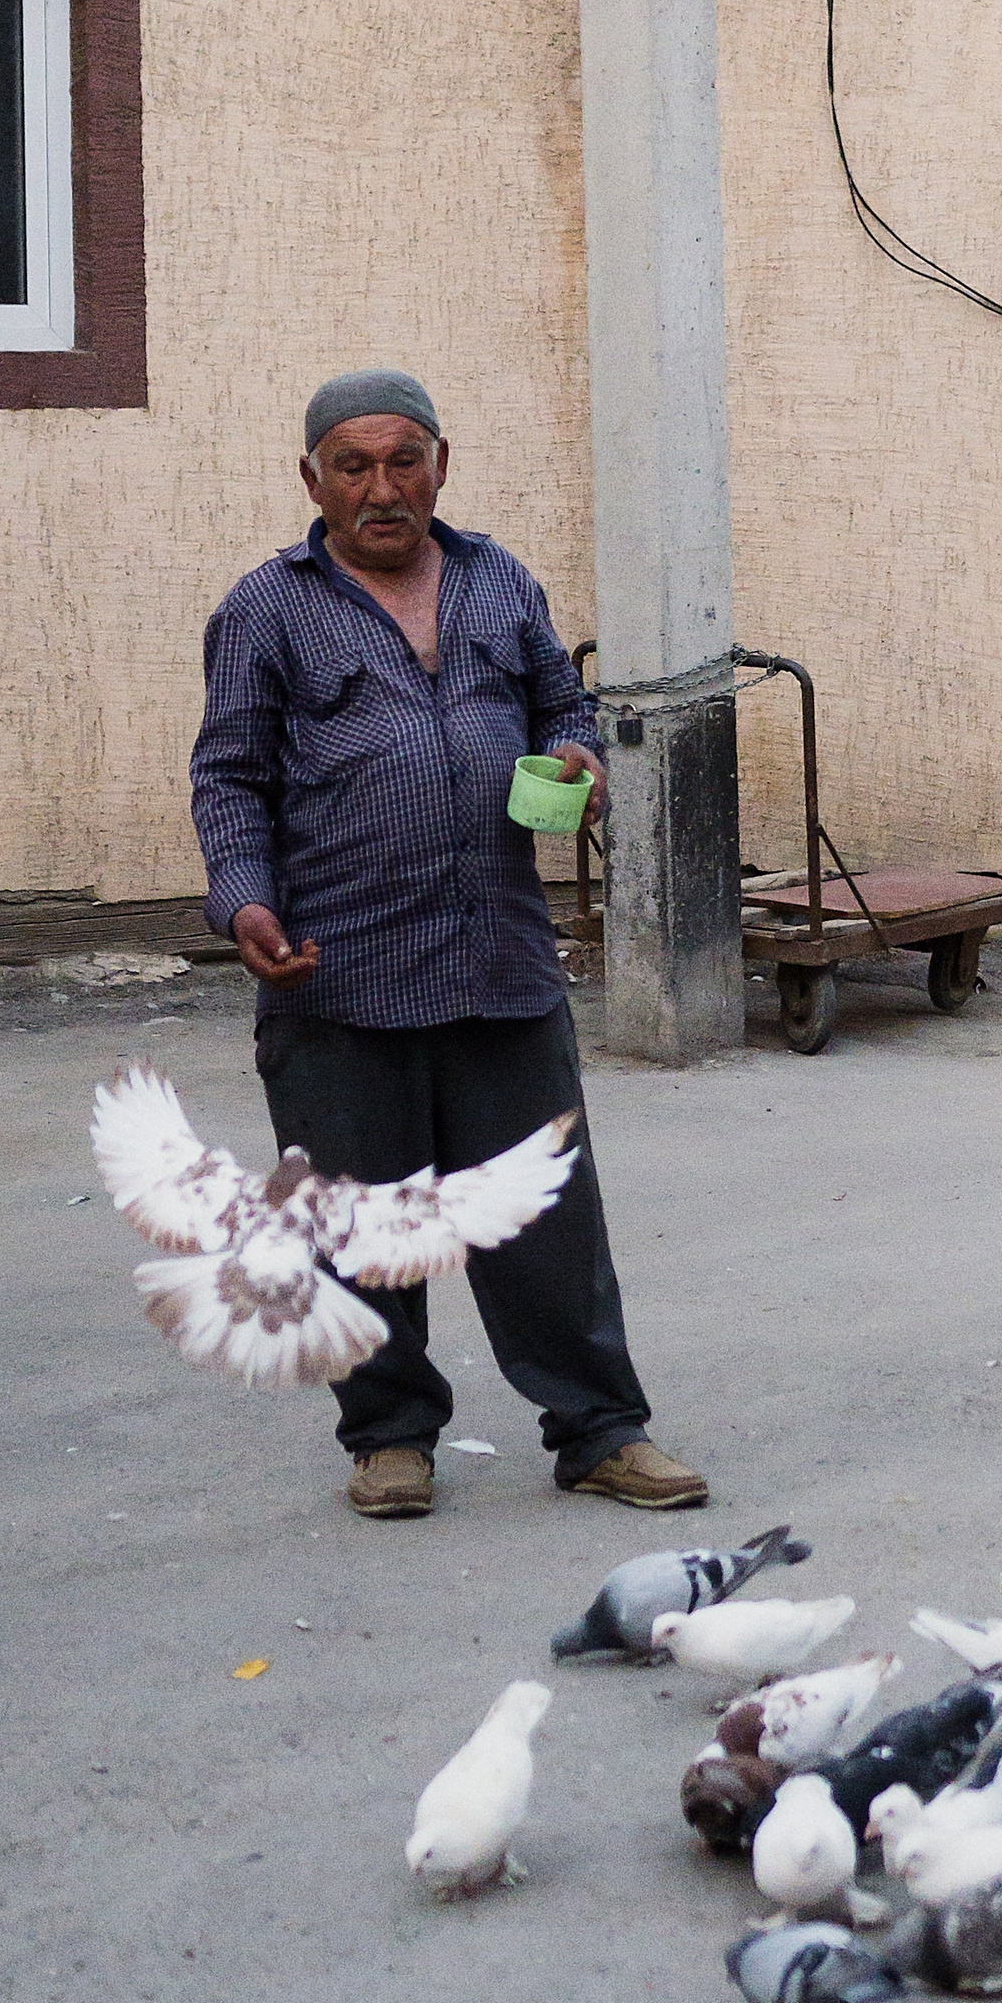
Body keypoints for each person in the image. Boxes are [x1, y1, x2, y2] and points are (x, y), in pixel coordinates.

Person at [188, 367, 707, 1519]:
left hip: (500, 958)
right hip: (340, 969)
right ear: (311, 477)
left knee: (544, 1213)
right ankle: (389, 1436)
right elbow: (228, 777)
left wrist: (578, 756)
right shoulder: (266, 608)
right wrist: (243, 903)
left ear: (440, 464)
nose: (383, 487)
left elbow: (558, 710)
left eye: (404, 459)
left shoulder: (496, 580)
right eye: (355, 464)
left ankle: (599, 1429)